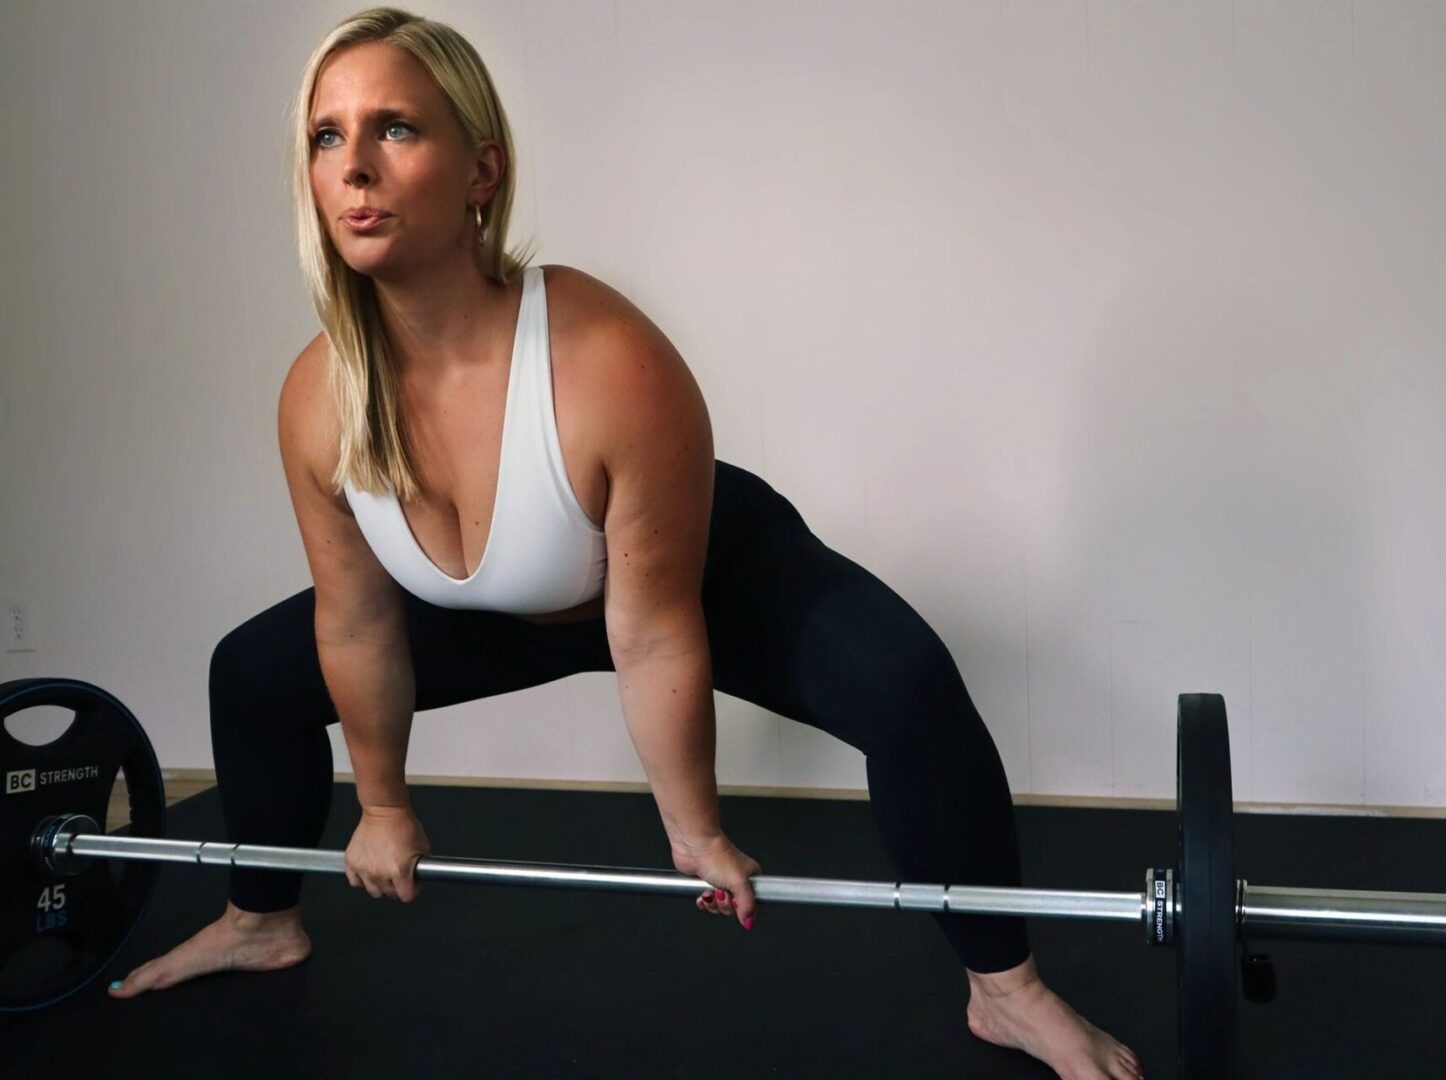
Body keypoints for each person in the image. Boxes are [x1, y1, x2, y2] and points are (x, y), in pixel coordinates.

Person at [105, 8, 1143, 1079]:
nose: (354, 166)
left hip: (689, 574)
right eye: (328, 136)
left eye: (396, 130)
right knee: (254, 674)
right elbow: (358, 617)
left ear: (481, 170)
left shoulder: (605, 361)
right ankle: (263, 918)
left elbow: (649, 633)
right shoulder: (319, 398)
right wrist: (381, 803)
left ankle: (1007, 991)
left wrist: (692, 827)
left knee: (912, 688)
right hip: (503, 603)